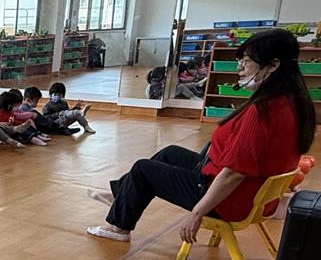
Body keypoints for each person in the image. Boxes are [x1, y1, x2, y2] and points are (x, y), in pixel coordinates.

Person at [87, 29, 316, 242]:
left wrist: (197, 213)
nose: (240, 68)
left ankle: (119, 227)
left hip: (230, 199)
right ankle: (121, 196)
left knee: (142, 169)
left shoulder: (263, 112)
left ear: (273, 65)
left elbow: (233, 174)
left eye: (246, 61)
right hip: (254, 194)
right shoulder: (294, 102)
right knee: (170, 153)